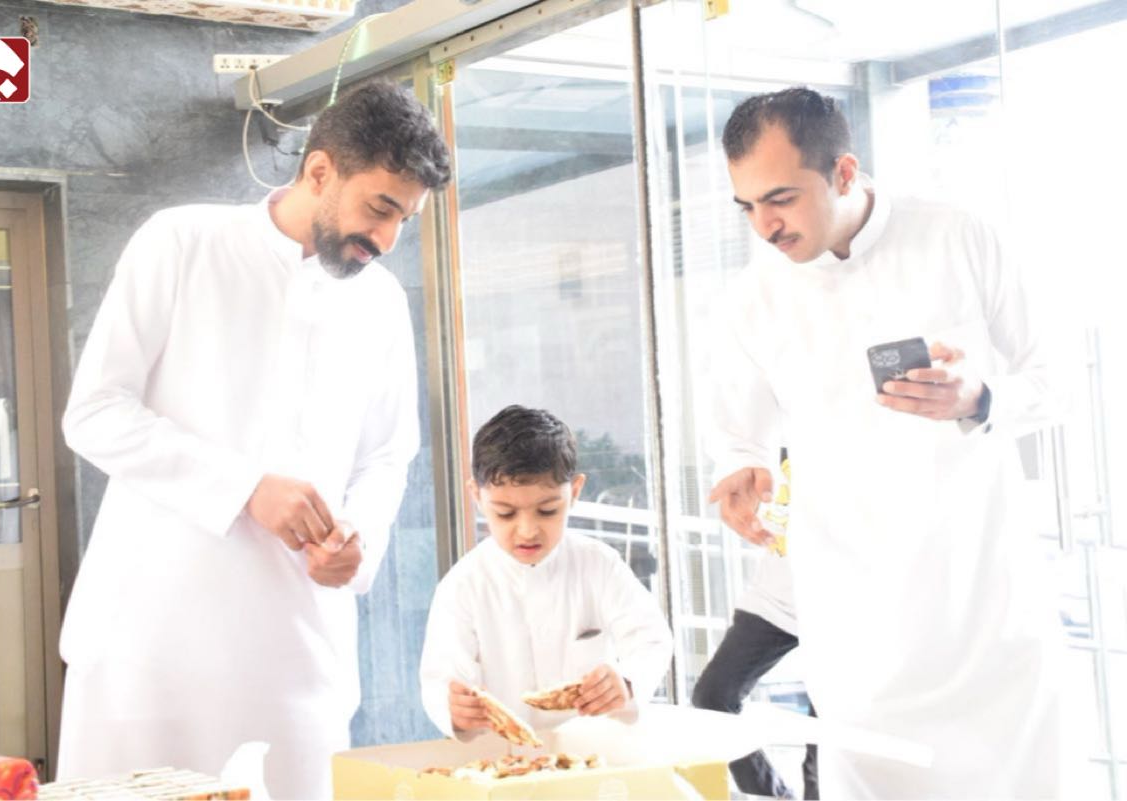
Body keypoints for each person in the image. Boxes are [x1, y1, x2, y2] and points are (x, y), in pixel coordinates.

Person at [56, 80, 450, 799]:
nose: (388, 239)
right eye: (380, 208)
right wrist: (245, 490)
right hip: (148, 644)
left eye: (405, 218)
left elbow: (387, 455)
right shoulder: (181, 242)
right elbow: (96, 412)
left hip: (296, 651)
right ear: (320, 171)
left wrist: (358, 539)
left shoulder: (383, 303)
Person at [705, 86, 1071, 798]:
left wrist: (981, 397)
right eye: (746, 206)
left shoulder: (959, 236)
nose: (764, 226)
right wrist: (742, 473)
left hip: (983, 611)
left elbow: (1054, 382)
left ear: (843, 172)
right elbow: (737, 436)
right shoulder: (751, 299)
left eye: (780, 199)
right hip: (856, 632)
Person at [419, 405, 673, 740]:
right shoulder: (463, 585)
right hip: (503, 757)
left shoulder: (598, 564)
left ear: (575, 492)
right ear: (476, 496)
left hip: (597, 751)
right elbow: (442, 678)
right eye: (506, 513)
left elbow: (650, 639)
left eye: (548, 510)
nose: (527, 531)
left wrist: (626, 682)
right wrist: (455, 711)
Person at [693, 549, 817, 800]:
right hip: (774, 601)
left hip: (843, 606)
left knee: (823, 746)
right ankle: (774, 797)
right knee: (713, 698)